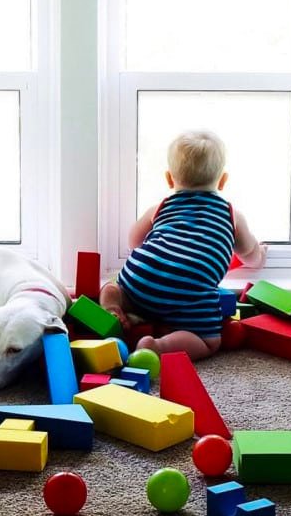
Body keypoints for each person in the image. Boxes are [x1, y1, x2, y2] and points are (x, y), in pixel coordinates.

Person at [99, 130, 267, 361]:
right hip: (188, 291)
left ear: (169, 179)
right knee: (209, 341)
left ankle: (112, 304)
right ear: (222, 181)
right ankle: (158, 347)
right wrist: (261, 255)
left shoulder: (161, 207)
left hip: (142, 279)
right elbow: (250, 254)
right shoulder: (231, 215)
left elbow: (134, 241)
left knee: (114, 287)